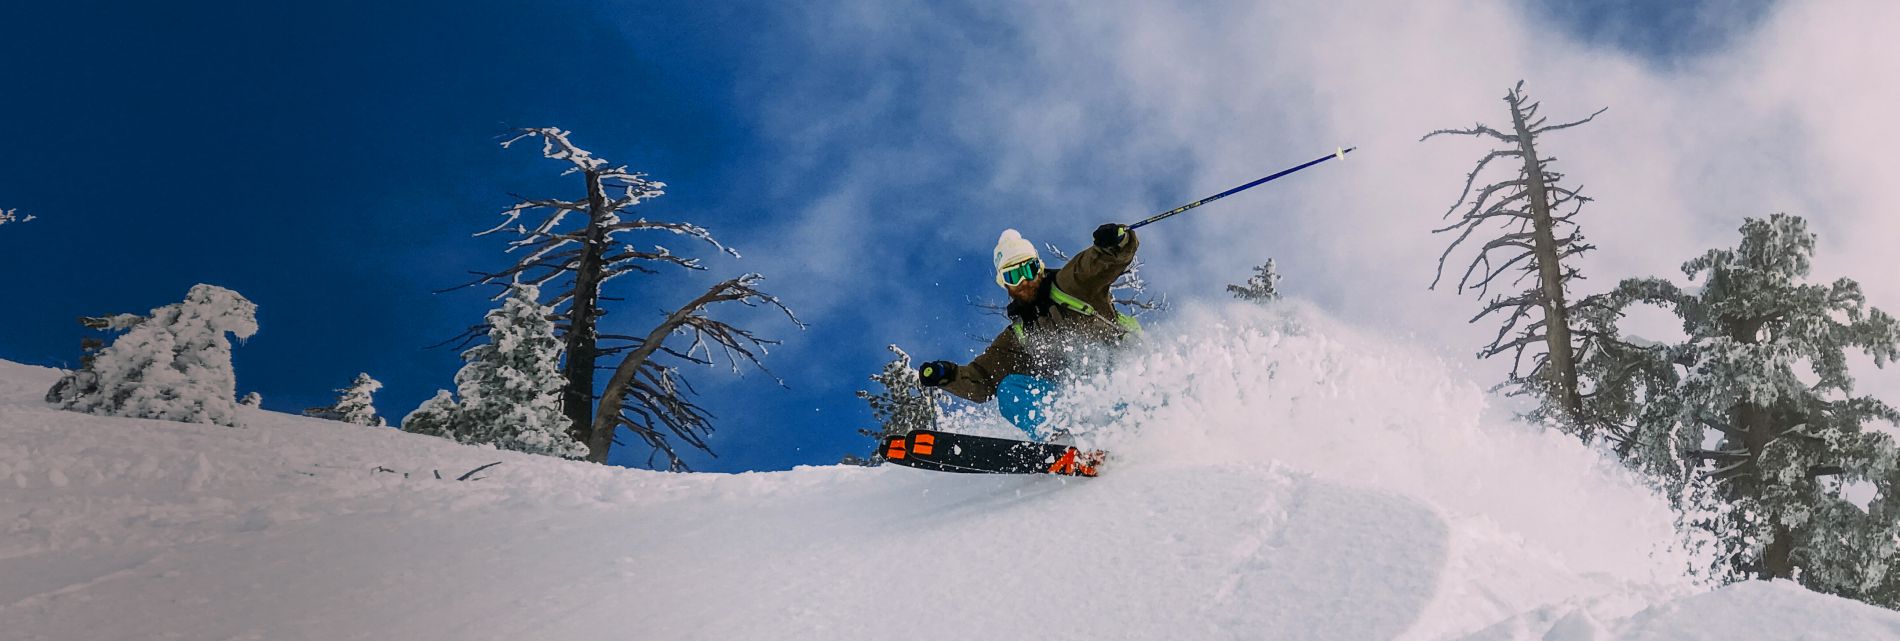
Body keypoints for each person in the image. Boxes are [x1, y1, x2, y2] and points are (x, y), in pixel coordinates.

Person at [917, 223, 1142, 440]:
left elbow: (1096, 264)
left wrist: (1115, 242)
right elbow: (983, 379)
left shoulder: (1072, 286)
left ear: (1040, 268)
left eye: (1029, 269)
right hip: (1079, 402)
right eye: (1013, 276)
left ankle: (1131, 422)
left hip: (1119, 378)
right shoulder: (1018, 336)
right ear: (1004, 284)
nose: (1025, 281)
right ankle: (1060, 439)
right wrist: (948, 375)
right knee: (1010, 390)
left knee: (1102, 366)